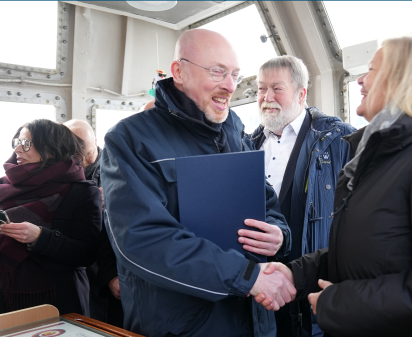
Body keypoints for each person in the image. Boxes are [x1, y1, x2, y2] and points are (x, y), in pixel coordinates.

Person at [258, 33, 412, 336]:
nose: (359, 80)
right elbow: (364, 252)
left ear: (406, 79)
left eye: (371, 71)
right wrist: (295, 273)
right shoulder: (383, 156)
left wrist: (339, 303)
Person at [100, 28, 295, 337]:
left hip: (254, 320)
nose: (230, 86)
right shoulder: (130, 140)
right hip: (184, 325)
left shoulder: (237, 136)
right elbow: (142, 240)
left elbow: (268, 205)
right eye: (217, 72)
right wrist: (245, 276)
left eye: (235, 74)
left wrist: (279, 235)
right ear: (179, 71)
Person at [248, 56, 355, 337]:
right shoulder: (245, 145)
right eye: (261, 89)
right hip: (258, 290)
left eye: (277, 88)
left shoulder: (341, 140)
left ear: (301, 93)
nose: (267, 97)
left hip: (311, 289)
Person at [0, 119, 102, 315]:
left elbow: (86, 253)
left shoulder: (81, 192)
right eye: (17, 143)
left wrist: (40, 237)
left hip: (54, 298)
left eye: (27, 144)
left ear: (51, 149)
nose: (18, 150)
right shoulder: (4, 186)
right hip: (4, 293)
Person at [64, 119, 123, 327]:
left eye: (86, 151)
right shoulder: (62, 175)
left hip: (106, 264)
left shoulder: (116, 167)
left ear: (95, 141)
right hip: (76, 263)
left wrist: (112, 202)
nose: (81, 158)